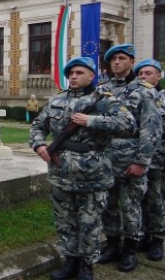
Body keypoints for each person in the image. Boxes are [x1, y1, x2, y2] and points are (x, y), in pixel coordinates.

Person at [30, 57, 135, 280]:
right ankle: (71, 262)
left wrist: (92, 121)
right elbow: (38, 125)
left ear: (91, 75)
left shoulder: (105, 101)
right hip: (60, 174)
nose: (73, 77)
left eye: (79, 72)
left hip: (92, 175)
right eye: (71, 73)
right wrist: (39, 144)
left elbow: (129, 125)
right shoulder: (56, 100)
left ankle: (86, 266)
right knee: (65, 222)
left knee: (89, 223)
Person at [96, 44, 162, 272]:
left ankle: (130, 250)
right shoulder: (101, 90)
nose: (116, 62)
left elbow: (150, 130)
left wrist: (141, 162)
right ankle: (112, 245)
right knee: (108, 206)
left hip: (130, 161)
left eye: (122, 58)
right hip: (104, 162)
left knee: (131, 206)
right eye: (113, 59)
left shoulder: (144, 91)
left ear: (131, 62)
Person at [134, 58, 165, 260]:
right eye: (141, 74)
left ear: (158, 75)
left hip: (159, 160)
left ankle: (157, 239)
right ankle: (143, 234)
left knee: (156, 200)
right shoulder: (136, 97)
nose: (144, 77)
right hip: (136, 158)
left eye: (148, 73)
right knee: (139, 199)